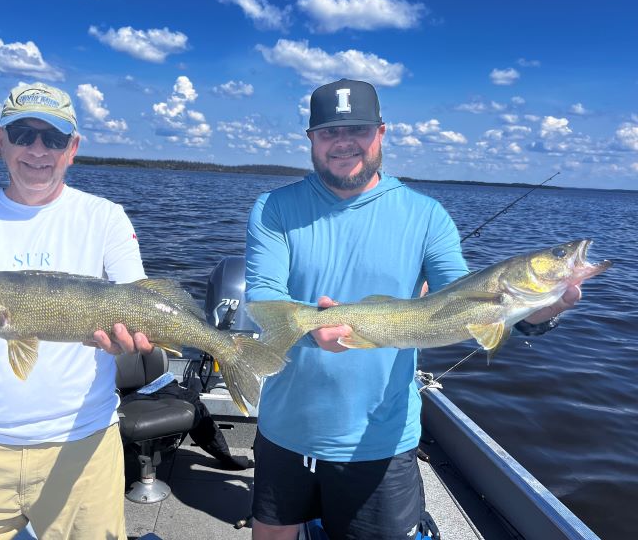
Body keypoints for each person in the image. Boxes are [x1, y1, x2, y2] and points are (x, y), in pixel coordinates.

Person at [244, 78, 581, 540]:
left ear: (381, 132)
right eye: (328, 132)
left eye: (358, 130)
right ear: (311, 140)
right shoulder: (273, 208)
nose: (343, 143)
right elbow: (262, 293)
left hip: (382, 440)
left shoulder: (428, 216)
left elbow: (461, 296)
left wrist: (536, 313)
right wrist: (309, 326)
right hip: (286, 427)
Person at [0, 82, 152, 539]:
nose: (38, 149)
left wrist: (130, 345)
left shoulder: (105, 217)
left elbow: (137, 303)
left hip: (85, 444)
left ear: (73, 148)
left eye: (54, 138)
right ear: (0, 139)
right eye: (24, 134)